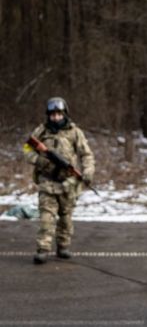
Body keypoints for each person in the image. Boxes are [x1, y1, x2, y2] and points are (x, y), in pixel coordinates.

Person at [23, 97, 95, 264]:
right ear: (48, 115)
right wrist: (38, 160)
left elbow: (87, 154)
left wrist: (88, 172)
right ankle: (43, 249)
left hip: (68, 182)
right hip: (47, 181)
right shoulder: (41, 131)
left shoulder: (75, 132)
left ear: (64, 114)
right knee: (46, 217)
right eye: (53, 115)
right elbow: (27, 149)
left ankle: (63, 246)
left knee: (65, 217)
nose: (56, 117)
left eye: (59, 114)